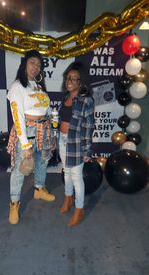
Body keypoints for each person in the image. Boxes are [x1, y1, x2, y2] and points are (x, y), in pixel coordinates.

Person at [7, 50, 55, 225]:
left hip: (44, 130)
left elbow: (46, 108)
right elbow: (17, 115)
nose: (36, 67)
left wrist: (51, 120)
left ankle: (39, 189)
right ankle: (14, 203)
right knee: (21, 169)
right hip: (27, 131)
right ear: (24, 64)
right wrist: (25, 143)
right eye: (33, 63)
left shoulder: (38, 85)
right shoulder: (18, 86)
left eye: (39, 65)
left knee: (42, 161)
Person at [58, 61, 94, 227]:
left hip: (77, 143)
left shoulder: (86, 101)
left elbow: (88, 126)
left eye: (74, 78)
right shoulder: (66, 97)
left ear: (81, 82)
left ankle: (79, 210)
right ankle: (68, 199)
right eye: (68, 77)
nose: (69, 81)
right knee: (66, 172)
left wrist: (87, 150)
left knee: (77, 177)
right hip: (63, 140)